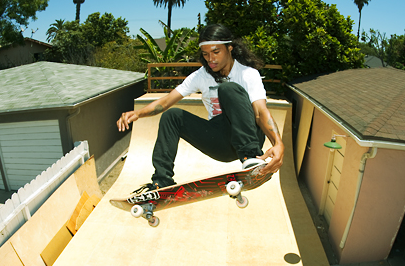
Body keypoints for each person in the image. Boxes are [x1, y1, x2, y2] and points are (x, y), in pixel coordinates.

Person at [116, 23, 284, 192]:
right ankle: (162, 181)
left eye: (216, 52)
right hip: (220, 142)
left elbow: (260, 111)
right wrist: (138, 113)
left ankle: (251, 158)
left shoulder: (248, 74)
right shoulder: (200, 76)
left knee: (228, 88)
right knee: (172, 115)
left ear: (230, 48)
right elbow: (166, 101)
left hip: (249, 138)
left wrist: (278, 143)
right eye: (206, 54)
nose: (211, 59)